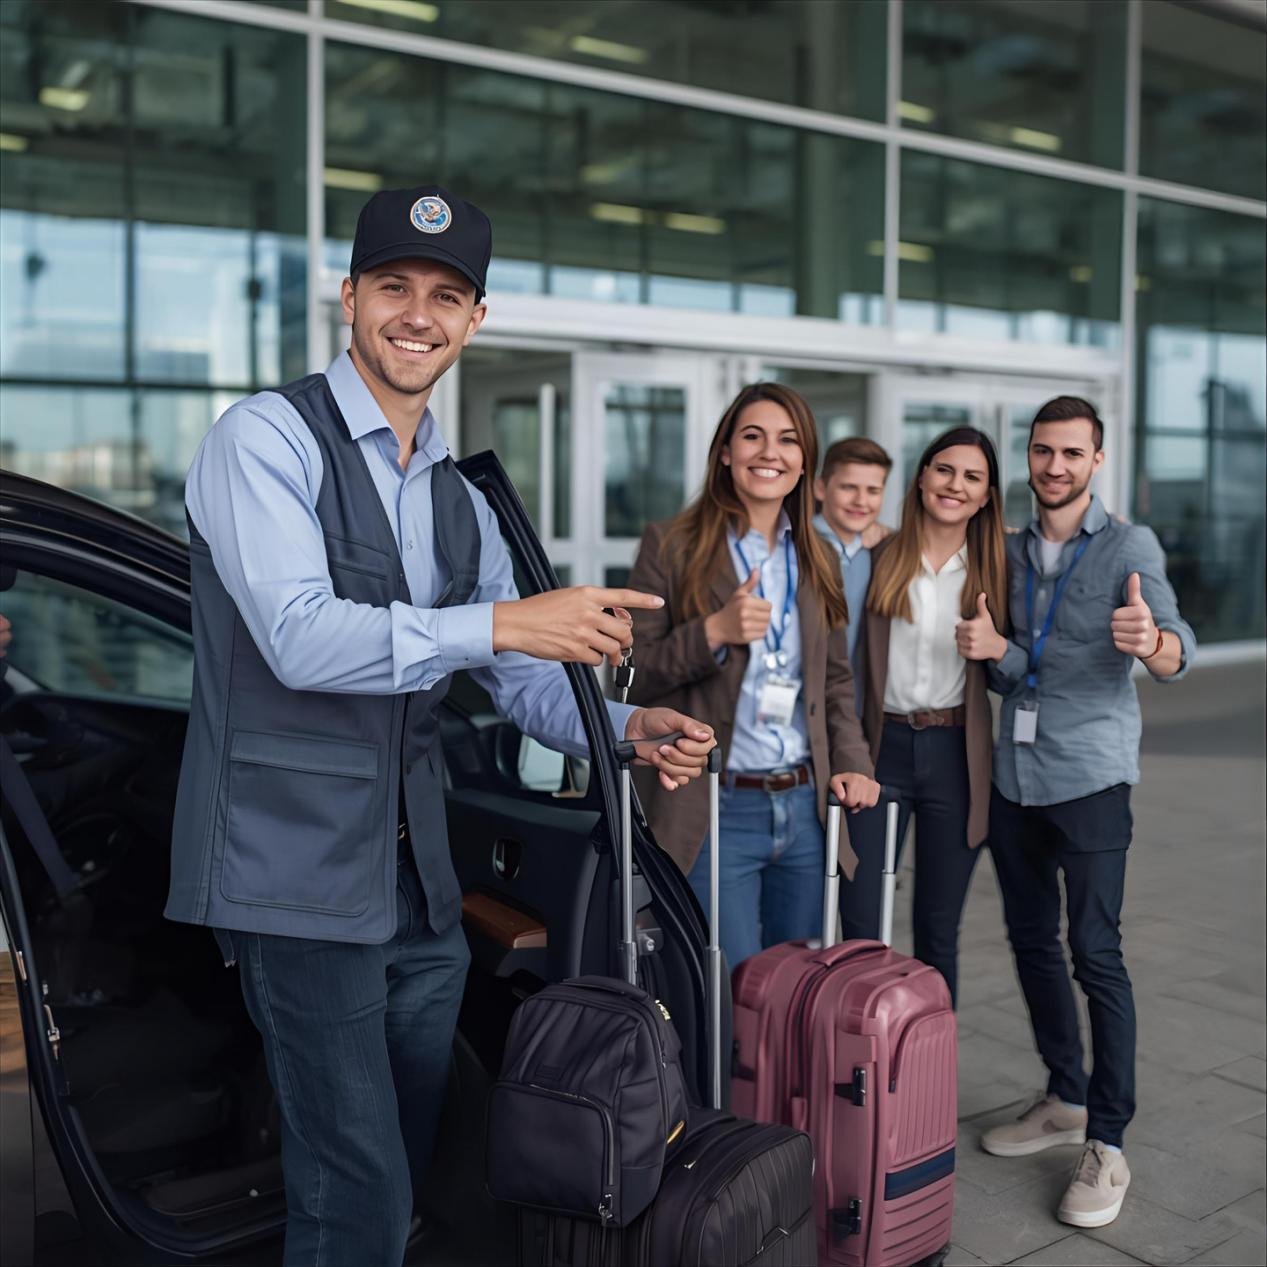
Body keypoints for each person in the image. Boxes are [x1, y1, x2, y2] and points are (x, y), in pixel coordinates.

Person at [165, 183, 716, 1265]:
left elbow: (513, 675)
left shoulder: (461, 497)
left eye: (445, 295)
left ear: (475, 320)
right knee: (354, 1188)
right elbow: (300, 637)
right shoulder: (265, 439)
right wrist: (507, 617)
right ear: (350, 297)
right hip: (296, 879)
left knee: (412, 1158)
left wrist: (623, 724)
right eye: (394, 287)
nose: (417, 314)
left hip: (421, 889)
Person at [958, 396, 1196, 1230]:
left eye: (1070, 452)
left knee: (1094, 950)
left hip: (1090, 778)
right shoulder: (1013, 549)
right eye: (1041, 451)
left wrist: (1150, 642)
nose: (1053, 466)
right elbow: (1021, 666)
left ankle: (1107, 1137)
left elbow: (1173, 647)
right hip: (1018, 781)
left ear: (1096, 459)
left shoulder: (1129, 545)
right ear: (1027, 457)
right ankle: (1061, 1094)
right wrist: (995, 656)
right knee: (1029, 941)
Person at [626, 382, 880, 970]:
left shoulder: (818, 556)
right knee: (731, 992)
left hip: (805, 804)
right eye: (753, 436)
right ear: (725, 452)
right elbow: (632, 676)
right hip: (715, 808)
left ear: (804, 461)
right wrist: (712, 632)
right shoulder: (671, 545)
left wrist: (854, 762)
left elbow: (836, 681)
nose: (771, 452)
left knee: (800, 993)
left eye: (788, 440)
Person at [837, 427, 1006, 1007]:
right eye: (944, 470)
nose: (954, 485)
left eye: (972, 477)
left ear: (987, 495)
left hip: (954, 755)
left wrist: (995, 646)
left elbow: (1019, 666)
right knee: (860, 923)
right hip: (879, 749)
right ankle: (859, 1066)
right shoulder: (878, 557)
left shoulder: (997, 567)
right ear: (921, 478)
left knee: (938, 929)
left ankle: (928, 1081)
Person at [812, 436, 894, 714]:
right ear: (821, 488)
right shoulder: (794, 543)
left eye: (873, 490)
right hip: (798, 709)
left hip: (854, 711)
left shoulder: (881, 550)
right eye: (849, 487)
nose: (861, 501)